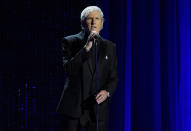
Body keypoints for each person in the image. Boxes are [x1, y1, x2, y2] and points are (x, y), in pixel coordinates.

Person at [56, 6, 118, 131]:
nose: (94, 22)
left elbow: (113, 77)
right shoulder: (70, 42)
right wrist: (86, 48)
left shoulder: (110, 47)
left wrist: (107, 92)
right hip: (73, 109)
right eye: (90, 19)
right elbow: (69, 70)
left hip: (97, 109)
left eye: (97, 19)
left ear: (102, 22)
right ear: (82, 23)